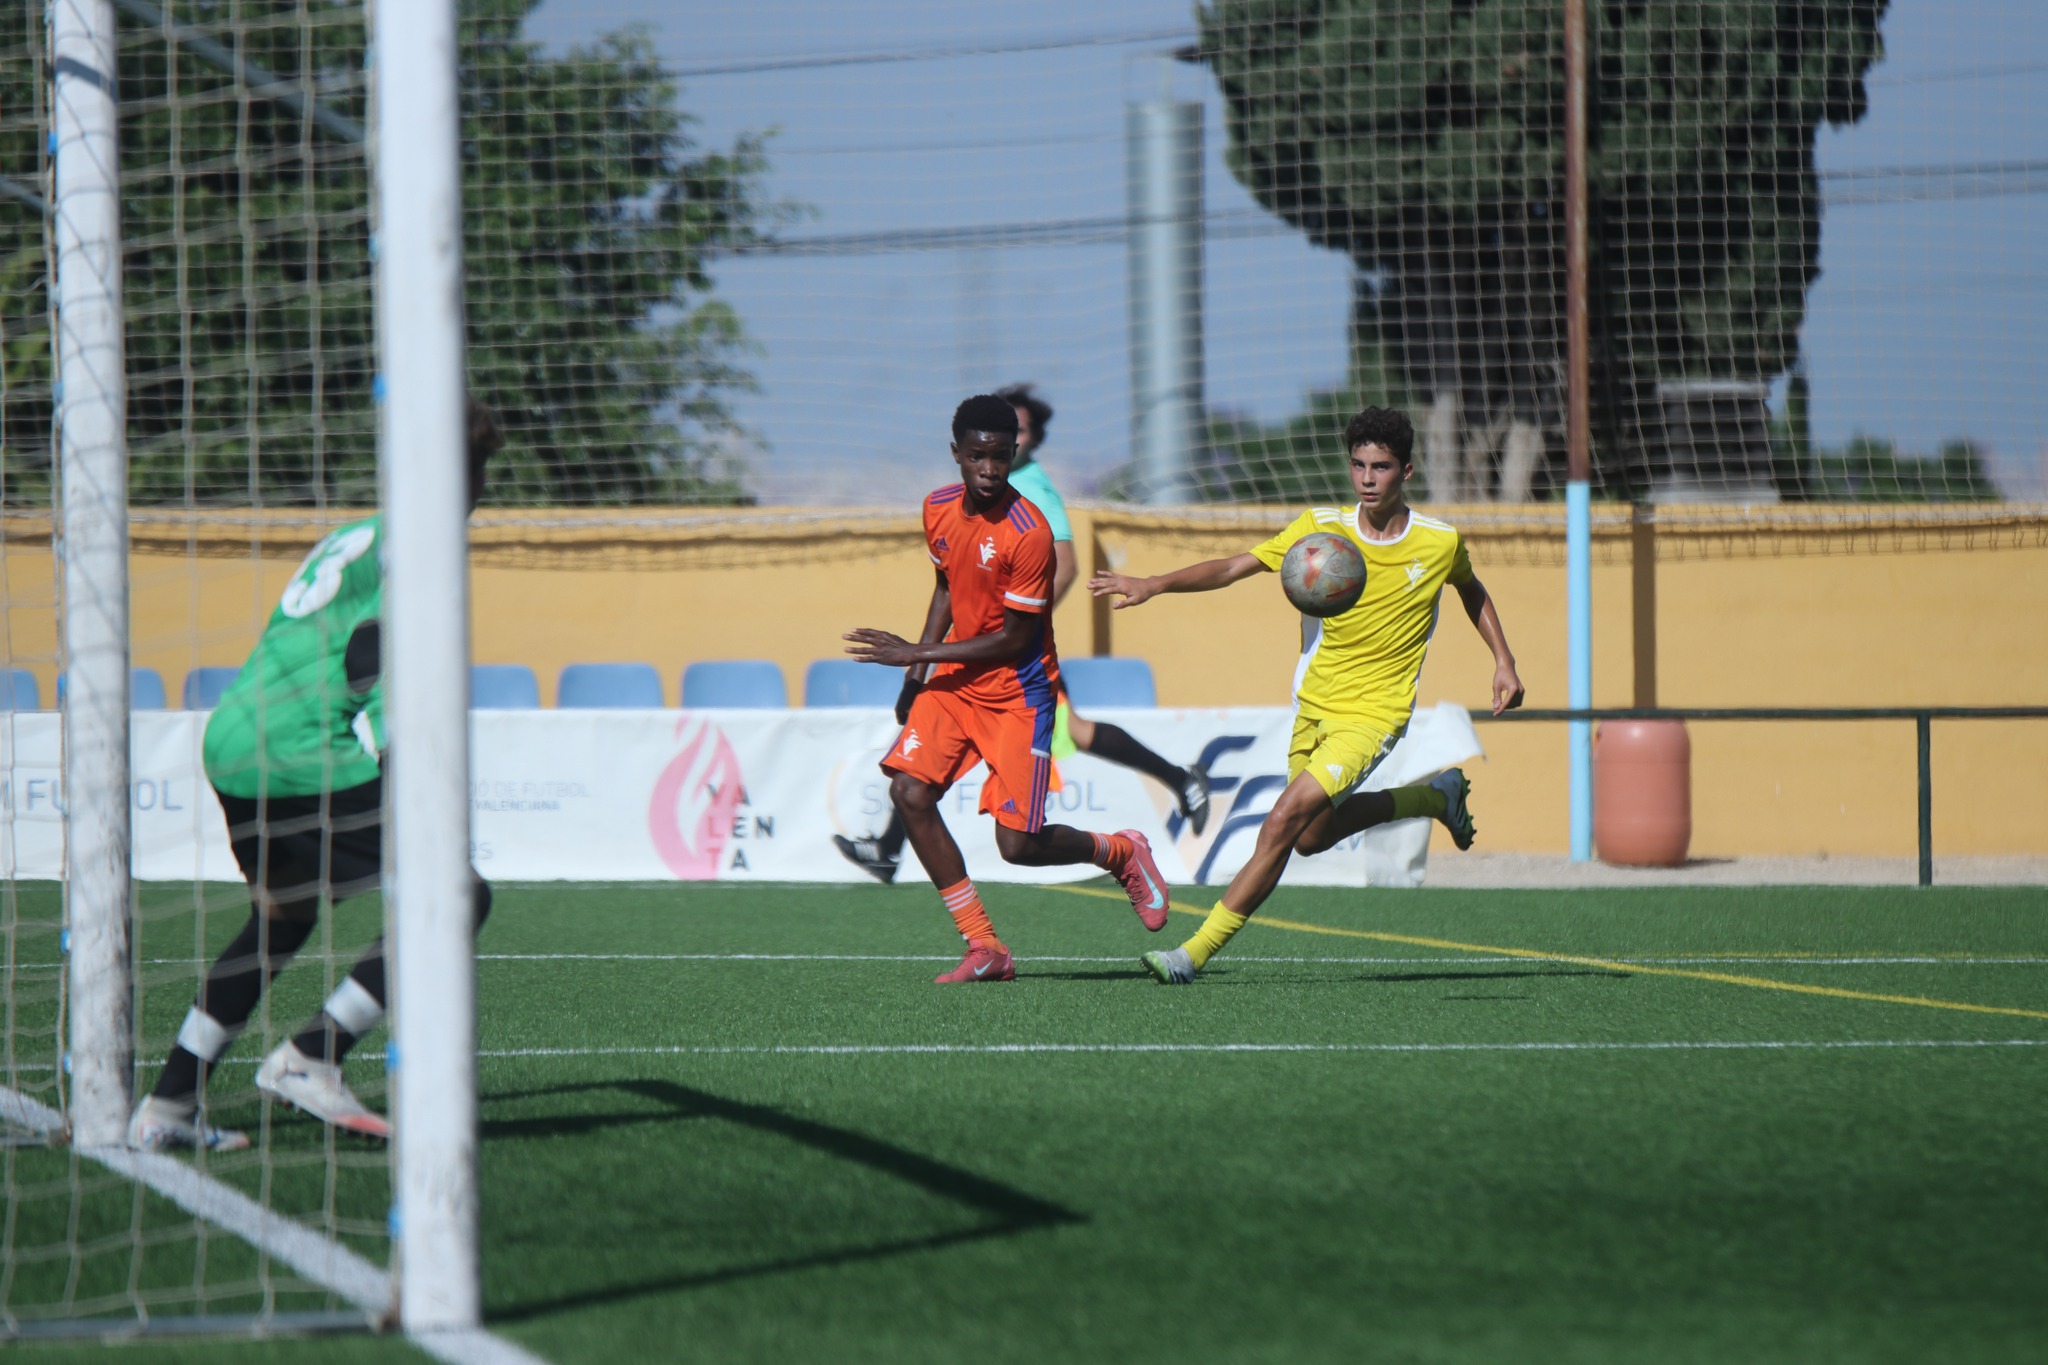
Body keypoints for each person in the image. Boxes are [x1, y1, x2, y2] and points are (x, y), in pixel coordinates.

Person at [126, 400, 504, 1150]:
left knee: (283, 916)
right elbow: (375, 660)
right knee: (459, 893)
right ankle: (311, 1057)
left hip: (234, 736)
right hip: (300, 750)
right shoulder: (421, 547)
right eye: (482, 471)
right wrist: (406, 771)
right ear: (461, 477)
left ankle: (167, 1106)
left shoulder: (354, 535)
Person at [1089, 406, 1524, 985]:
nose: (1367, 478)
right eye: (1358, 465)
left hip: (1376, 714)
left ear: (1407, 471)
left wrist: (1503, 660)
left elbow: (1471, 590)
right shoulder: (1320, 530)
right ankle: (1435, 798)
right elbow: (1235, 567)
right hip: (1315, 707)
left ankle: (1190, 954)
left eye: (1381, 467)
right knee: (1313, 837)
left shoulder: (1438, 542)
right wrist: (1155, 584)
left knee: (1282, 821)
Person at [844, 394, 1172, 983]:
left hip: (1018, 692)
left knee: (1018, 847)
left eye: (1000, 457)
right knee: (909, 794)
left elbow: (1014, 641)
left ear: (1014, 452)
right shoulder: (937, 507)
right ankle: (984, 946)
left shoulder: (1030, 532)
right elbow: (946, 588)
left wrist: (915, 652)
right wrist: (916, 678)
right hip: (955, 683)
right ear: (956, 454)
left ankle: (1121, 852)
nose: (990, 469)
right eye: (977, 457)